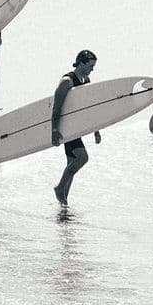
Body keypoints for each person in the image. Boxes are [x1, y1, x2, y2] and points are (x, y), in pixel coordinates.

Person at [50, 50, 101, 206]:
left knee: (72, 163)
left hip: (76, 128)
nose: (92, 69)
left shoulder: (86, 80)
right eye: (90, 66)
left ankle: (63, 201)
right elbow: (56, 107)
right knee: (82, 158)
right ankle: (59, 188)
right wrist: (54, 130)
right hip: (66, 128)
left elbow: (89, 108)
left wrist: (96, 130)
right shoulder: (67, 81)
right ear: (81, 63)